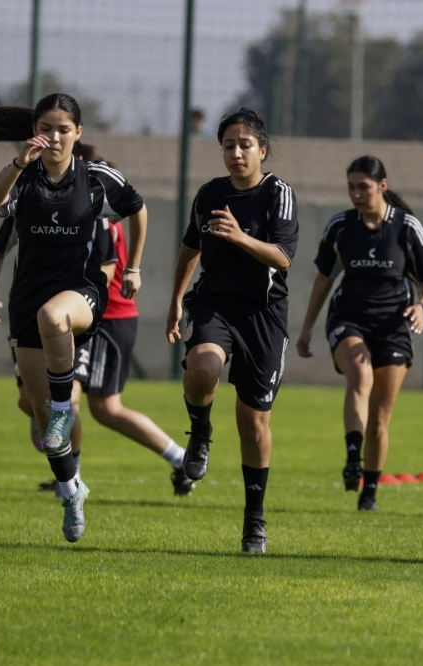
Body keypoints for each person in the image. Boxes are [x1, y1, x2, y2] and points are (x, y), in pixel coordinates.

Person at [0, 93, 148, 542]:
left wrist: (132, 267)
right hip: (25, 300)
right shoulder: (24, 174)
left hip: (81, 294)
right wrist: (17, 162)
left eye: (63, 129)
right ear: (35, 130)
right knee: (40, 419)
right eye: (46, 128)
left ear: (78, 133)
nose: (54, 137)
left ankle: (60, 409)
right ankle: (72, 489)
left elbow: (138, 208)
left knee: (55, 319)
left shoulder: (95, 177)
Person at [166, 108, 298, 553]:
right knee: (202, 366)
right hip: (215, 304)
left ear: (262, 150)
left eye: (245, 145)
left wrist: (241, 237)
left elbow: (282, 258)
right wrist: (173, 303)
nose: (236, 152)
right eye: (228, 144)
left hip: (263, 315)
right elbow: (190, 248)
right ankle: (199, 433)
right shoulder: (208, 194)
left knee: (253, 422)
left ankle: (254, 522)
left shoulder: (277, 193)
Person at [296, 155, 423, 513]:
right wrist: (307, 328)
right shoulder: (340, 227)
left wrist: (422, 306)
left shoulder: (407, 227)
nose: (356, 194)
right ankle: (352, 456)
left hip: (393, 326)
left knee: (380, 415)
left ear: (383, 186)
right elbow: (324, 279)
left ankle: (370, 492)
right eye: (351, 187)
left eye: (363, 186)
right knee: (359, 373)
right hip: (349, 318)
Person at [69, 142, 193, 496]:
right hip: (91, 318)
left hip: (106, 319)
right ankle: (70, 474)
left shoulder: (98, 210)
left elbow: (107, 267)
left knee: (99, 406)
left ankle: (72, 476)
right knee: (86, 403)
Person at [0, 211, 111, 495]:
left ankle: (70, 479)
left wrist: (96, 302)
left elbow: (108, 264)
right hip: (28, 311)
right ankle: (44, 415)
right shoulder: (26, 202)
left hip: (73, 313)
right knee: (32, 402)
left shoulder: (90, 204)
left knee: (69, 398)